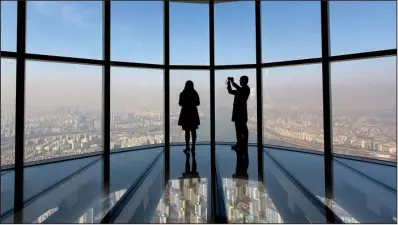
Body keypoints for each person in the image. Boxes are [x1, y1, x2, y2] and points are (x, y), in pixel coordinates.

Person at [227, 76, 250, 151]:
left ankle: (241, 144)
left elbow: (236, 90)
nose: (239, 81)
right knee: (239, 130)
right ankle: (240, 144)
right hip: (240, 113)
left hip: (240, 113)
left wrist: (232, 82)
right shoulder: (242, 90)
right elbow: (230, 91)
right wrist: (229, 84)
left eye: (240, 80)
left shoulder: (246, 89)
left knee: (241, 130)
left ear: (244, 81)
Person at [178, 80, 200, 153]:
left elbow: (180, 103)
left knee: (187, 131)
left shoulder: (183, 93)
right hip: (193, 113)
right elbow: (198, 103)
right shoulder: (195, 93)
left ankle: (187, 147)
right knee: (193, 131)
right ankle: (193, 146)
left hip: (185, 113)